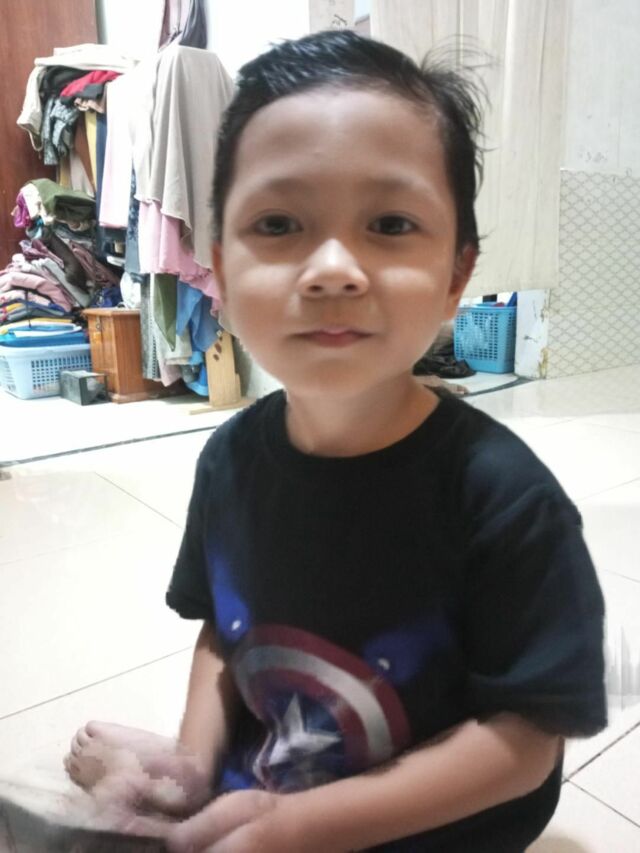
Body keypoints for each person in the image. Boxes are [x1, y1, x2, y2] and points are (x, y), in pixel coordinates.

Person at [65, 29, 607, 852]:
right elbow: (224, 635)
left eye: (389, 223)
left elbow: (528, 741)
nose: (331, 268)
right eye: (279, 222)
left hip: (442, 822)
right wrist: (193, 762)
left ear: (457, 277)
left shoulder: (504, 498)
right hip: (290, 766)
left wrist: (297, 828)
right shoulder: (228, 462)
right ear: (220, 268)